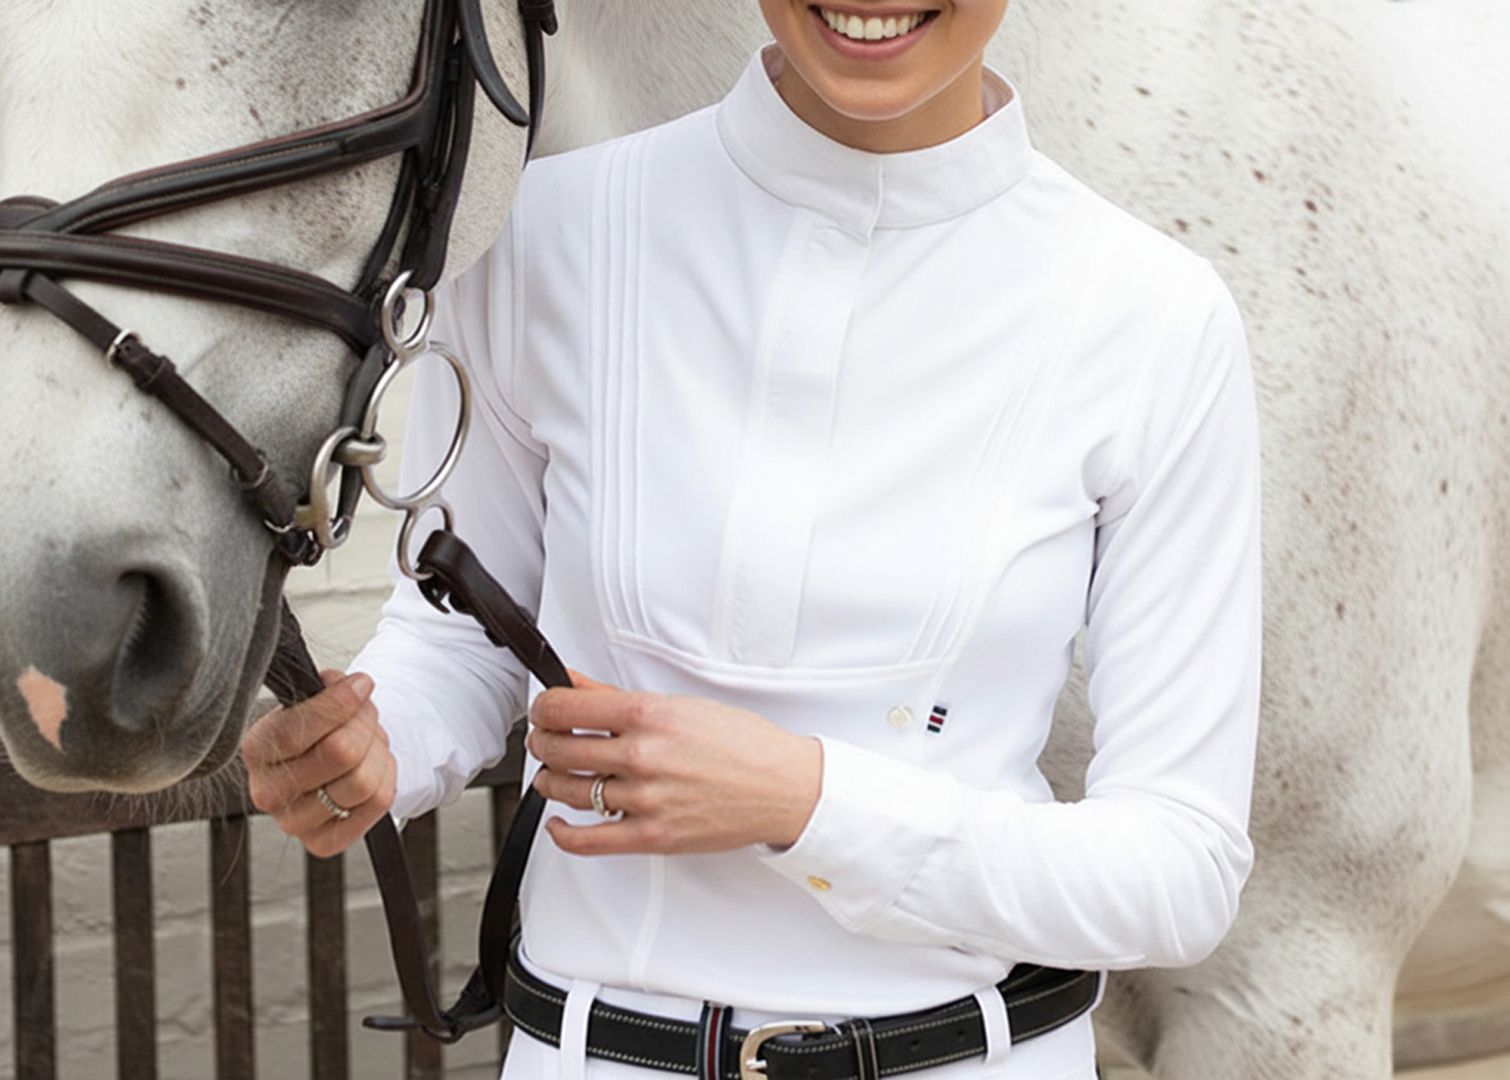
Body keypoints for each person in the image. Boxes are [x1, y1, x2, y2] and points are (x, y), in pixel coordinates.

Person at [240, 2, 1264, 1078]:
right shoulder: (548, 232)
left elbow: (1177, 872)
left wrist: (804, 802)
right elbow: (463, 633)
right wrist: (373, 748)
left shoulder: (1151, 317)